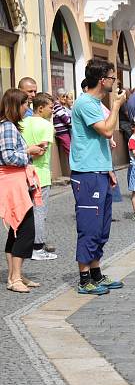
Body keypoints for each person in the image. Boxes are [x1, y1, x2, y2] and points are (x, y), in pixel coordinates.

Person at [70, 58, 127, 295]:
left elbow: (103, 142)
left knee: (102, 228)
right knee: (89, 226)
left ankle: (96, 273)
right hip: (86, 174)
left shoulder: (94, 102)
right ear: (102, 80)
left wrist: (109, 170)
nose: (115, 82)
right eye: (113, 78)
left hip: (99, 172)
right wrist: (115, 107)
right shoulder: (85, 103)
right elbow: (105, 131)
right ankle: (84, 279)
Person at [0, 88, 45, 292]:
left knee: (16, 230)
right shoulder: (8, 127)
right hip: (13, 183)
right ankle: (15, 278)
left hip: (15, 182)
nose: (28, 108)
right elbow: (9, 157)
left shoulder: (9, 126)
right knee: (26, 231)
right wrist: (29, 152)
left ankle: (14, 275)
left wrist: (30, 149)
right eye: (25, 104)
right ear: (15, 106)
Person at [20, 92, 57, 261]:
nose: (53, 111)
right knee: (39, 212)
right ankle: (37, 248)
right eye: (51, 107)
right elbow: (42, 151)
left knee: (25, 212)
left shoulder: (22, 122)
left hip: (22, 172)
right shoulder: (46, 125)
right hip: (40, 174)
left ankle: (23, 245)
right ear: (40, 108)